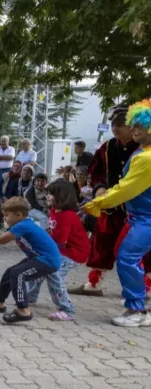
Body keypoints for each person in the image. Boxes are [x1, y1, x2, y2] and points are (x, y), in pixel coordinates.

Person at [83, 99, 151, 327]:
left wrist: (98, 203)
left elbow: (126, 188)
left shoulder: (146, 157)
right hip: (135, 217)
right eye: (133, 126)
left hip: (146, 218)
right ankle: (136, 305)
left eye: (138, 127)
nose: (134, 130)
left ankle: (137, 310)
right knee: (122, 253)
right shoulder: (140, 151)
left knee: (128, 257)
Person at [0, 197, 61, 323]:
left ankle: (22, 310)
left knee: (18, 274)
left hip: (47, 261)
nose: (4, 218)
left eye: (7, 215)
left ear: (18, 215)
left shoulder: (23, 225)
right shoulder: (20, 224)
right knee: (10, 272)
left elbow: (1, 240)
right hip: (37, 258)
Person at [24, 179, 88, 321]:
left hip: (73, 253)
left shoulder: (67, 216)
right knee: (40, 266)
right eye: (48, 193)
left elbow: (59, 240)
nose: (47, 196)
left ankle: (67, 309)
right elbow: (53, 234)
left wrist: (38, 241)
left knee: (54, 273)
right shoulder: (54, 211)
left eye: (51, 194)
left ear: (61, 196)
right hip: (61, 250)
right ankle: (30, 296)